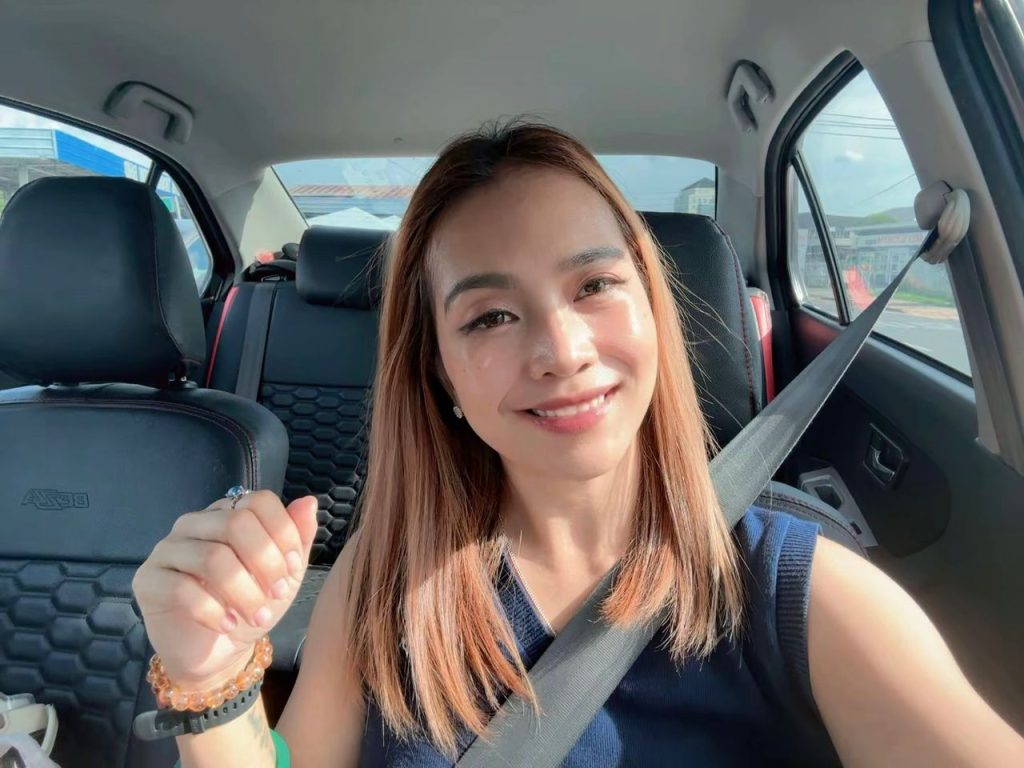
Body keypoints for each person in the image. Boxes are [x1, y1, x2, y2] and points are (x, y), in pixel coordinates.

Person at [132, 122, 1024, 767]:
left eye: (594, 284)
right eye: (490, 316)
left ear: (652, 306)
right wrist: (210, 678)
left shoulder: (805, 591)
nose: (561, 350)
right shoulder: (384, 572)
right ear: (439, 371)